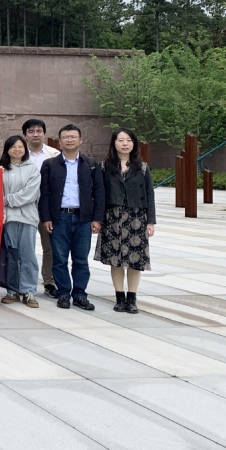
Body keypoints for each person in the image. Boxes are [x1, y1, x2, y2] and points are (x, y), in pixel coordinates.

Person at [39, 124, 105, 310]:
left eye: (73, 137)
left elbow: (99, 193)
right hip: (59, 217)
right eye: (65, 137)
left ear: (80, 140)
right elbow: (44, 194)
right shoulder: (50, 165)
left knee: (81, 259)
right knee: (59, 259)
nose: (69, 140)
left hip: (83, 218)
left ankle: (80, 294)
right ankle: (63, 293)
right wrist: (46, 218)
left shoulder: (91, 164)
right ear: (59, 141)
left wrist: (97, 219)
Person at [95, 128, 156, 314]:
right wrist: (97, 219)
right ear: (114, 143)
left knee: (135, 260)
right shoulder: (104, 167)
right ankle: (119, 297)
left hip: (136, 218)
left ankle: (132, 298)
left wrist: (150, 221)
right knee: (115, 259)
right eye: (120, 140)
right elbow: (99, 195)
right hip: (112, 217)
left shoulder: (142, 168)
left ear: (134, 143)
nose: (124, 143)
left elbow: (150, 195)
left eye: (128, 140)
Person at [0, 136, 41, 308]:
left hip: (27, 217)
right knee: (12, 255)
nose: (17, 150)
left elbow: (30, 194)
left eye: (20, 147)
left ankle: (29, 291)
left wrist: (6, 200)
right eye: (13, 147)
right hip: (8, 218)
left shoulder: (32, 169)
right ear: (7, 149)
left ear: (25, 149)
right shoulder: (1, 170)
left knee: (28, 255)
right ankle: (12, 290)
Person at [23, 118, 61, 299]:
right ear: (25, 134)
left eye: (39, 131)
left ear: (44, 134)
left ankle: (49, 282)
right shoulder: (18, 153)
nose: (35, 134)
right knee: (25, 247)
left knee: (50, 247)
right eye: (31, 131)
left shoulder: (54, 154)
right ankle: (23, 283)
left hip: (48, 208)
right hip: (25, 207)